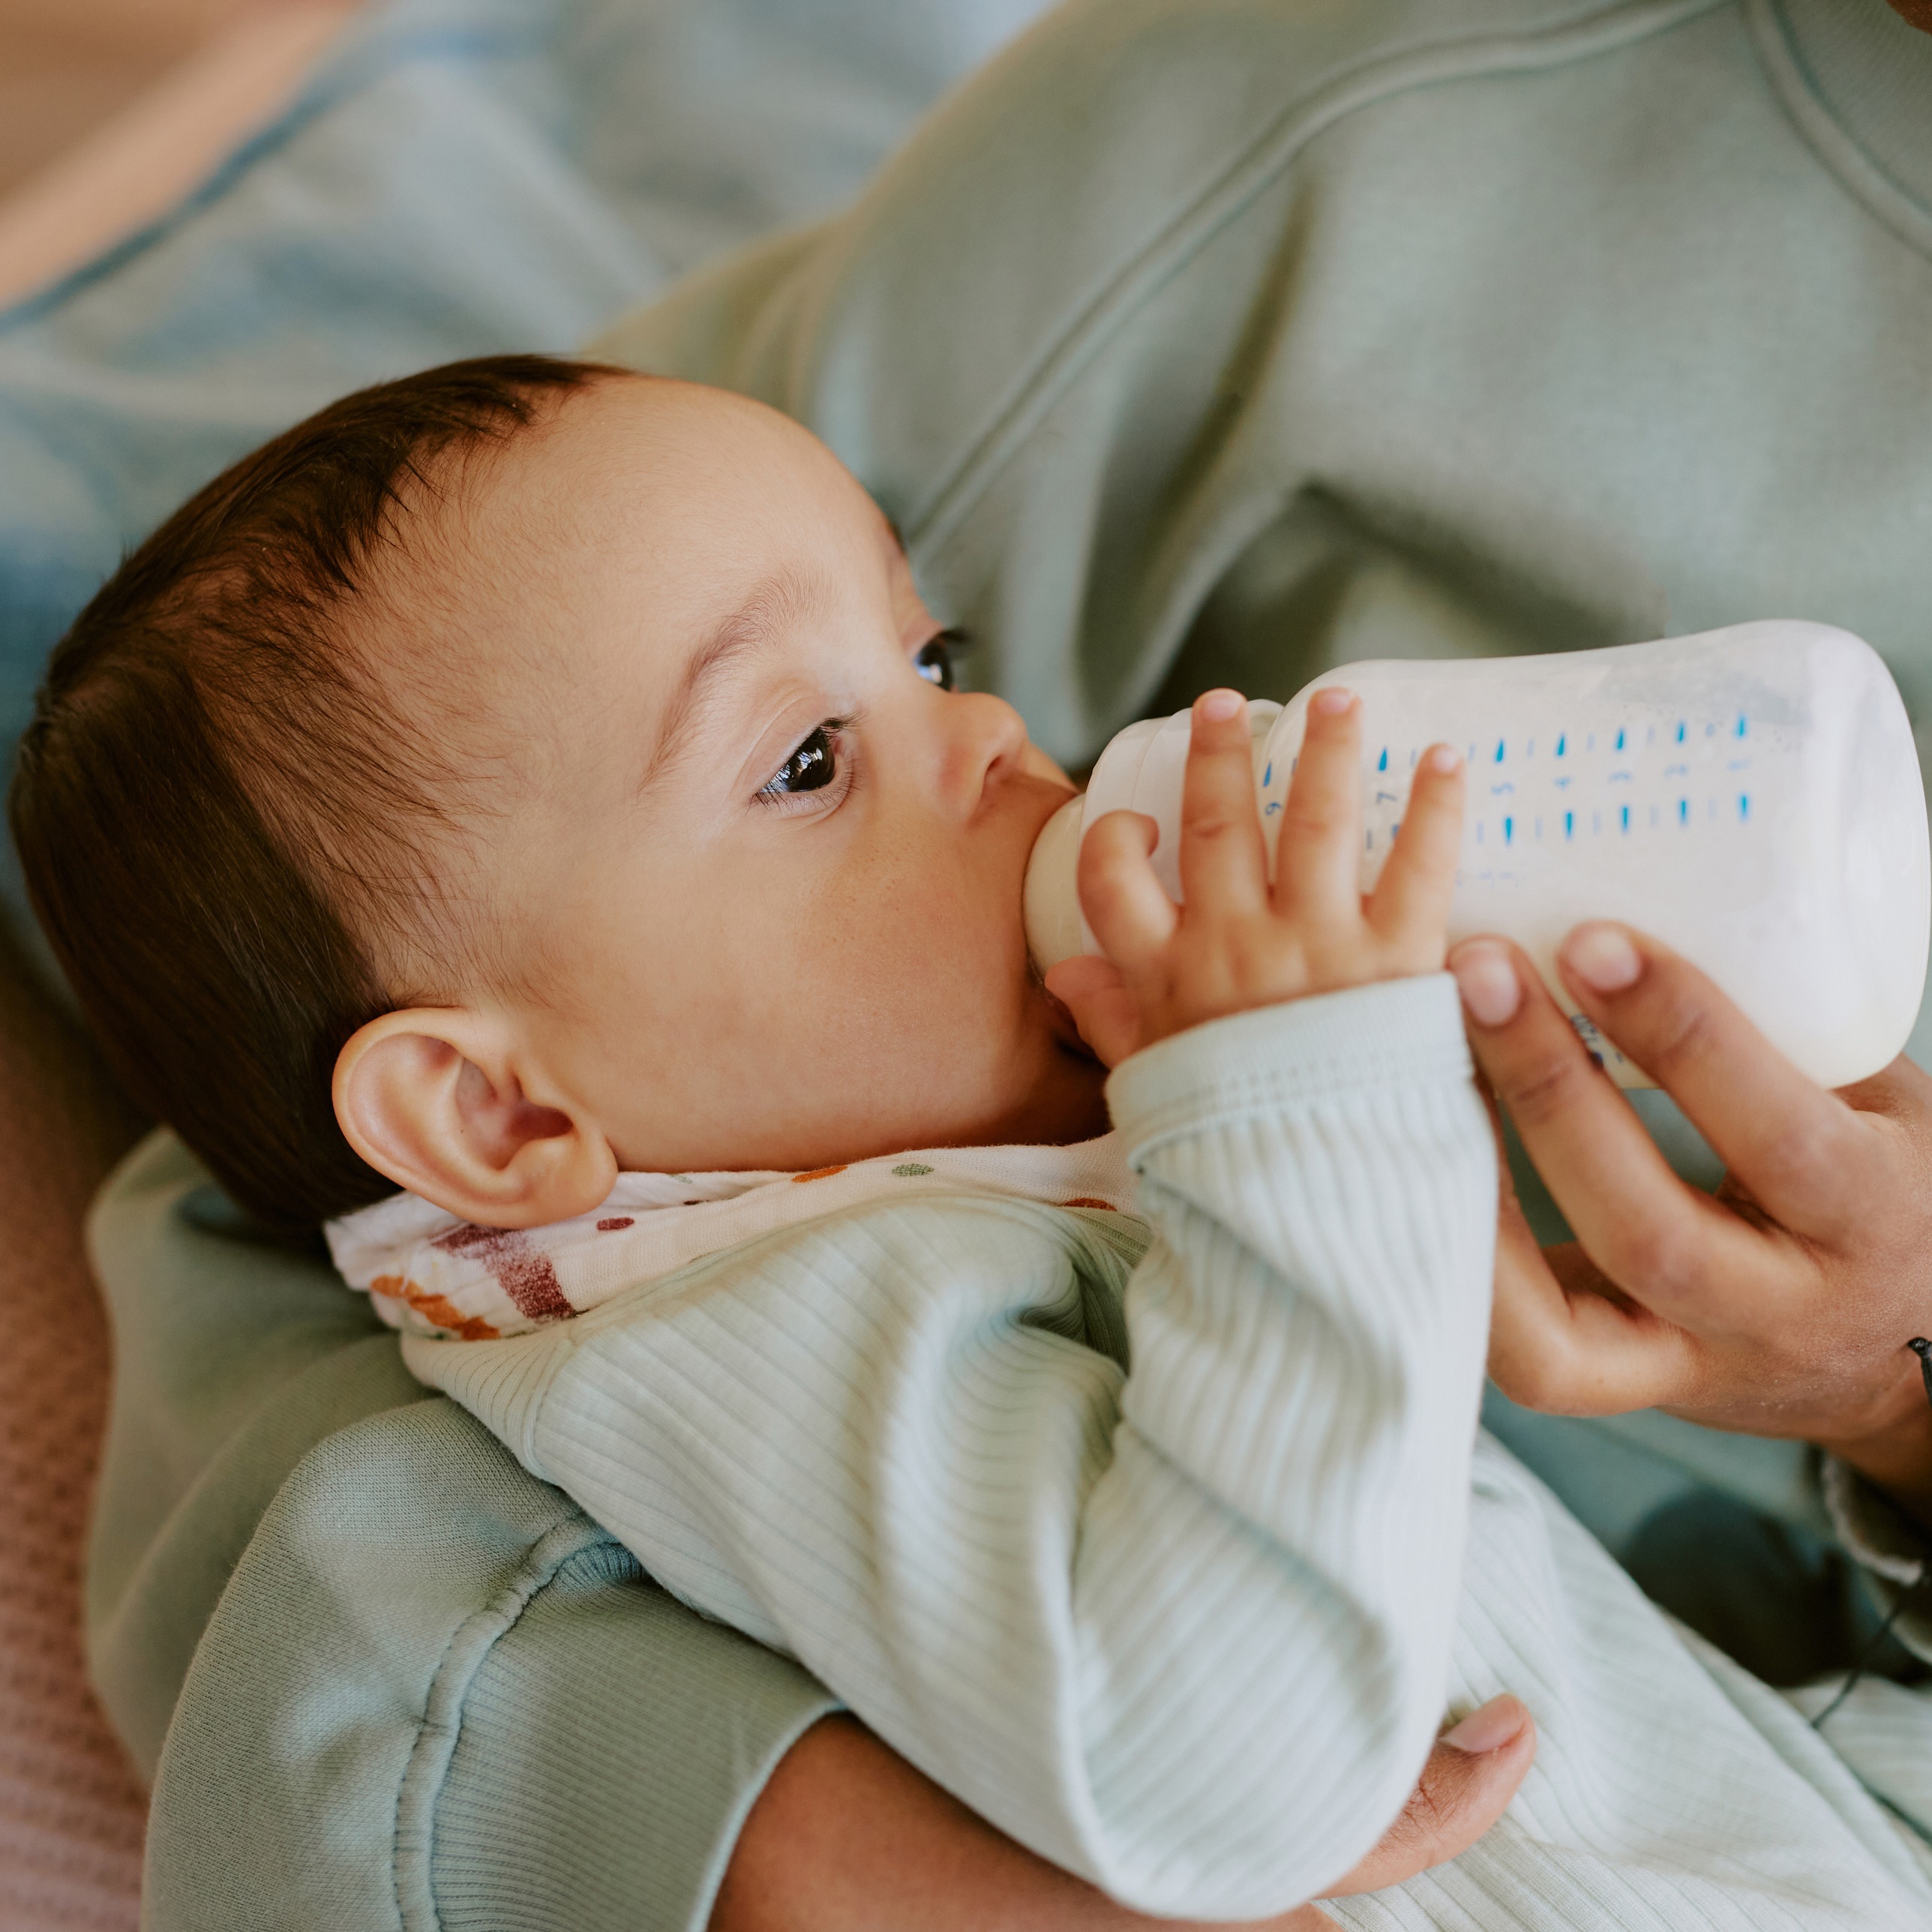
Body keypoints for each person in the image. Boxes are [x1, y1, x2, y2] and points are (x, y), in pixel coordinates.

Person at [44, 0, 1932, 1924]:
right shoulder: (790, 1328)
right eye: (808, 757)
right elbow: (1227, 1781)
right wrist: (1306, 1110)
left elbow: (1714, 1792)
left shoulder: (977, 1231)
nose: (994, 731)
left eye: (929, 659)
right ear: (502, 1106)